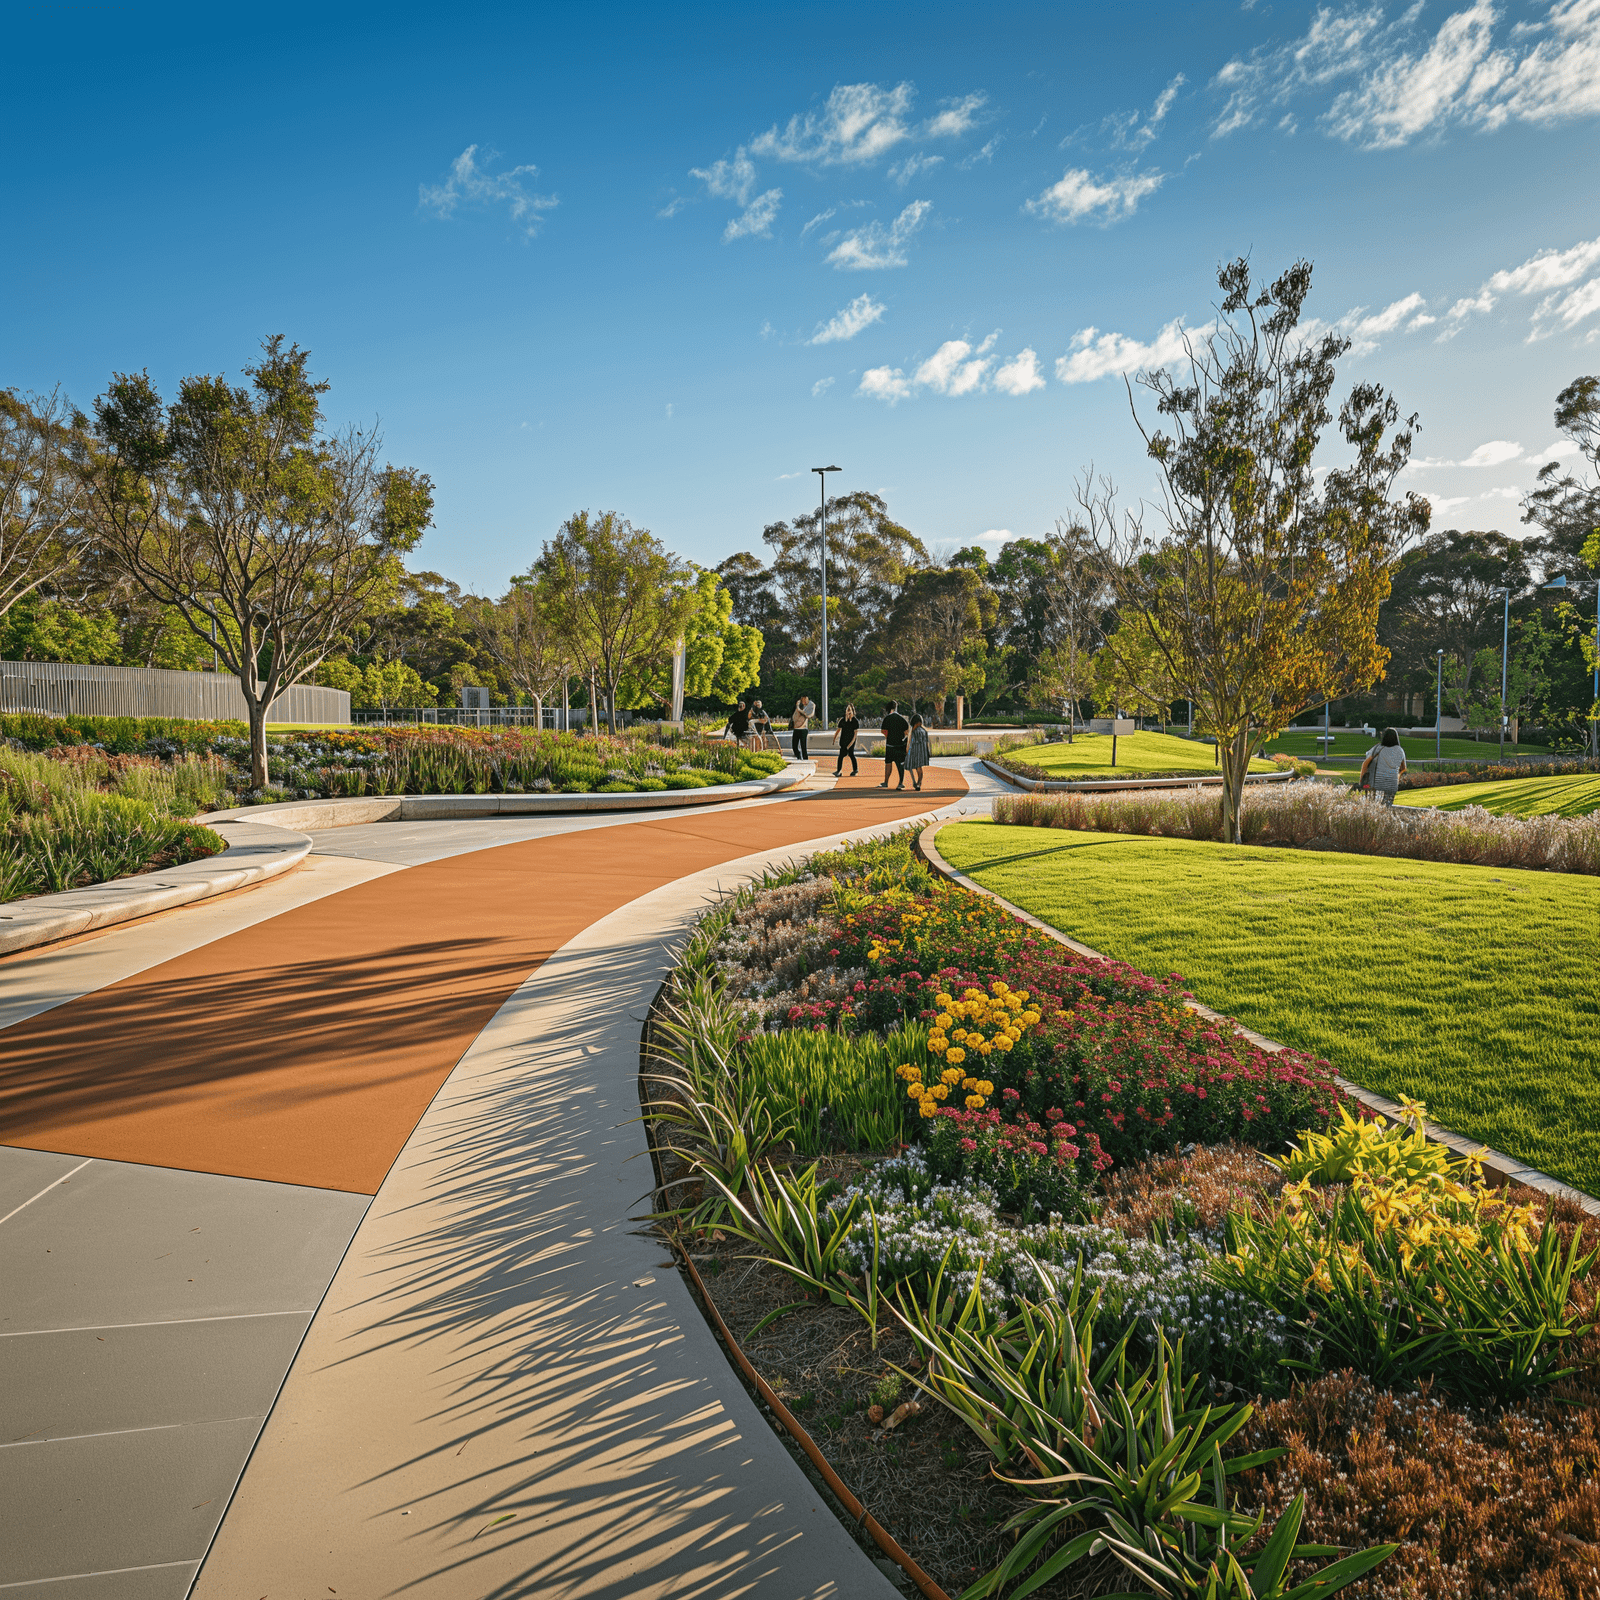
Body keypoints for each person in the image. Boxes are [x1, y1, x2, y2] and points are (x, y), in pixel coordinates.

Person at [1359, 726, 1407, 805]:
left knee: (1374, 806)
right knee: (1387, 806)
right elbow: (1403, 768)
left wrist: (1362, 780)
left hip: (1377, 783)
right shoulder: (1400, 751)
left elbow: (1365, 763)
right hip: (1392, 784)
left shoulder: (1378, 748)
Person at [879, 700, 910, 789]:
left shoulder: (887, 718)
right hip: (900, 745)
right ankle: (900, 783)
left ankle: (885, 782)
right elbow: (906, 732)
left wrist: (888, 737)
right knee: (900, 764)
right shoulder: (902, 719)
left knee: (888, 763)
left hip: (890, 745)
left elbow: (883, 731)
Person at [905, 713, 931, 792]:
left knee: (911, 766)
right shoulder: (924, 731)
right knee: (919, 768)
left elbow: (910, 742)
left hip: (914, 751)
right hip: (922, 751)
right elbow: (927, 742)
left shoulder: (913, 731)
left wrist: (907, 751)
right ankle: (919, 782)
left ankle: (915, 782)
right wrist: (927, 752)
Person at [834, 703, 859, 777]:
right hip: (843, 741)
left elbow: (855, 735)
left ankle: (855, 769)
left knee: (851, 754)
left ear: (852, 711)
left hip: (851, 741)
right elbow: (838, 730)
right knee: (841, 755)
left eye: (849, 710)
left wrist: (850, 744)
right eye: (847, 710)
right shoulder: (842, 720)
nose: (848, 711)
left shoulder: (855, 721)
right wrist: (834, 738)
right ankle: (839, 770)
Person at [790, 694, 814, 761]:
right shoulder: (800, 706)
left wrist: (798, 707)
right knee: (794, 746)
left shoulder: (809, 707)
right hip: (796, 729)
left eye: (805, 699)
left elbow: (808, 715)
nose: (803, 701)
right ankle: (799, 757)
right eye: (802, 699)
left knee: (803, 747)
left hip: (803, 729)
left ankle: (805, 760)